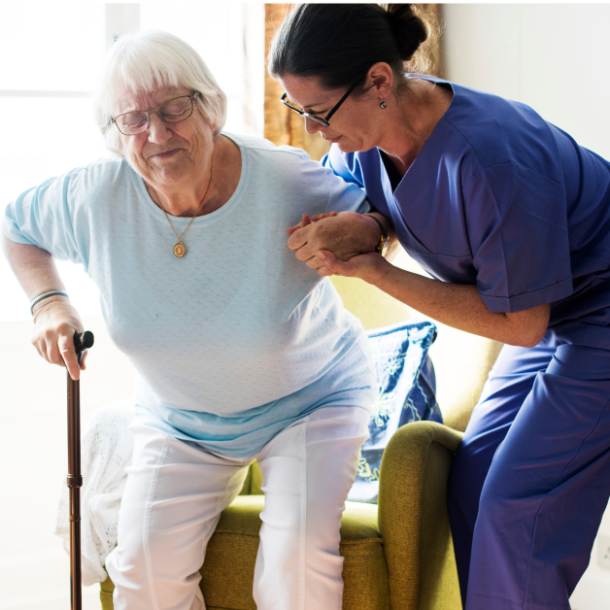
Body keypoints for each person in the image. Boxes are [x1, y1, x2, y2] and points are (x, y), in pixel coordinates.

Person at [1, 30, 378, 610]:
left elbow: (383, 217)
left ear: (210, 108)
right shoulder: (95, 197)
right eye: (134, 119)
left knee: (293, 569)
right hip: (180, 419)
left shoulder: (281, 179)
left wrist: (366, 232)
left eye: (175, 108)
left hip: (310, 402)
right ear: (115, 132)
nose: (156, 133)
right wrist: (48, 301)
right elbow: (16, 226)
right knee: (144, 577)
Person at [269, 3, 610, 610]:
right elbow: (388, 207)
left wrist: (371, 267)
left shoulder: (491, 158)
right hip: (550, 311)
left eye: (318, 112)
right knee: (471, 481)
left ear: (378, 81)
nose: (313, 129)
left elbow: (521, 325)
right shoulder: (363, 141)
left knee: (516, 506)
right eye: (299, 111)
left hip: (595, 308)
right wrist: (368, 224)